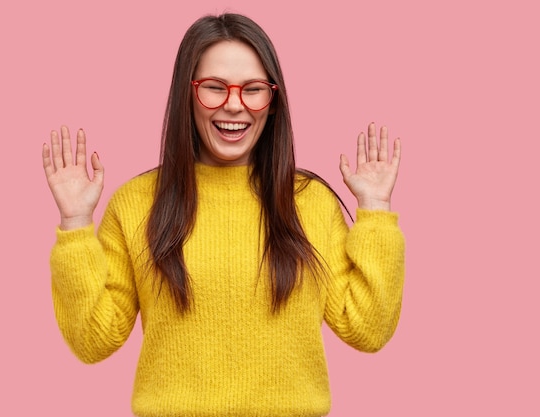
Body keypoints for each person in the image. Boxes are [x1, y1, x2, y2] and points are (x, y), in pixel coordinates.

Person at [42, 12, 404, 417]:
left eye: (253, 89)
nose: (235, 106)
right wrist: (75, 225)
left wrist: (375, 212)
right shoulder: (136, 203)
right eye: (214, 88)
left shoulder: (311, 202)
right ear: (187, 93)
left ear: (273, 100)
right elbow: (94, 340)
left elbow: (367, 329)